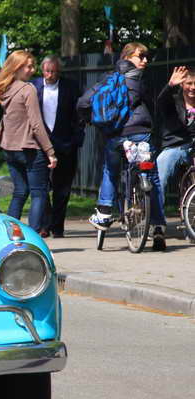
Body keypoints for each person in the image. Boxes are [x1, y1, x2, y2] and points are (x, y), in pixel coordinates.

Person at [78, 42, 167, 251]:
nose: (145, 60)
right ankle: (158, 226)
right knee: (152, 177)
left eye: (146, 57)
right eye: (140, 56)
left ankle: (104, 213)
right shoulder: (140, 79)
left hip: (116, 136)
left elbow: (83, 103)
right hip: (141, 133)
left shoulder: (107, 79)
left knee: (110, 170)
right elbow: (153, 106)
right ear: (127, 58)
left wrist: (91, 119)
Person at [0, 50, 57, 234]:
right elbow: (36, 124)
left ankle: (9, 233)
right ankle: (32, 235)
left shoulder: (5, 89)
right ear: (17, 67)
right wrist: (50, 152)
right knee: (39, 193)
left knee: (20, 191)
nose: (32, 70)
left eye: (32, 66)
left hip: (9, 149)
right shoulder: (28, 89)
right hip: (29, 149)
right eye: (28, 66)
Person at [32, 55, 84, 238]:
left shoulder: (71, 87)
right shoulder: (33, 87)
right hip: (40, 144)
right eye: (47, 71)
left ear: (59, 71)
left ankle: (58, 226)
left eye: (54, 71)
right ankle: (45, 224)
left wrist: (77, 137)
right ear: (42, 70)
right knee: (41, 187)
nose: (50, 74)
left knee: (63, 188)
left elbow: (79, 113)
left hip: (66, 143)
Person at [155, 66, 195, 208]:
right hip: (175, 145)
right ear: (182, 84)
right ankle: (156, 215)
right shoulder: (173, 101)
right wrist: (170, 85)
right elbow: (161, 101)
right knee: (159, 175)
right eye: (189, 83)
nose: (193, 87)